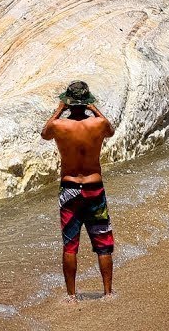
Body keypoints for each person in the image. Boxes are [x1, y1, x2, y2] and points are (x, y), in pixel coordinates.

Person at [41, 80, 116, 300]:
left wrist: (59, 109)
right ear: (86, 102)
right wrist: (93, 108)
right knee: (103, 243)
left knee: (70, 244)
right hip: (94, 188)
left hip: (70, 189)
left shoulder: (59, 126)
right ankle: (108, 293)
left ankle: (71, 296)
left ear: (68, 102)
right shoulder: (98, 124)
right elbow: (110, 130)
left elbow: (44, 134)